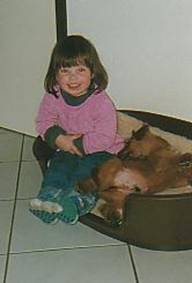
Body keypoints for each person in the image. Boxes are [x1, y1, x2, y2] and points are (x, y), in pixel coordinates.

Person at [29, 35, 124, 224]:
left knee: (88, 173)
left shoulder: (101, 102)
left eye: (81, 70)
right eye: (65, 71)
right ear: (55, 74)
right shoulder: (53, 96)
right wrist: (59, 139)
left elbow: (105, 137)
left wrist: (78, 144)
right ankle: (48, 198)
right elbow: (43, 121)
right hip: (68, 145)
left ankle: (75, 202)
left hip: (103, 151)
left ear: (93, 73)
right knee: (58, 166)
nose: (73, 77)